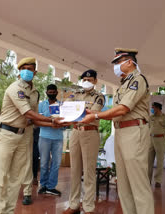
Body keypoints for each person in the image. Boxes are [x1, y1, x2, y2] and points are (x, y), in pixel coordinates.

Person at [81, 48, 154, 214]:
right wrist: (94, 114)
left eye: (118, 62)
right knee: (124, 184)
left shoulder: (138, 80)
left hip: (134, 132)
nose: (115, 66)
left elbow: (123, 109)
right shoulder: (123, 84)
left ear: (129, 62)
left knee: (138, 183)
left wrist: (96, 116)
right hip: (121, 132)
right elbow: (115, 111)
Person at [0, 57, 63, 214]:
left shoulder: (34, 93)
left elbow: (33, 119)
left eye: (30, 69)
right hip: (7, 134)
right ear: (19, 71)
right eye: (24, 69)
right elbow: (28, 112)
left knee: (16, 177)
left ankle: (9, 211)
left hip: (24, 135)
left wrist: (53, 124)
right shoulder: (15, 88)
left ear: (35, 72)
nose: (27, 72)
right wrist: (52, 119)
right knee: (1, 177)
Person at [63, 69, 105, 214]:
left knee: (89, 171)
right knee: (74, 170)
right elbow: (66, 107)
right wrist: (74, 110)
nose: (87, 81)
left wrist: (75, 110)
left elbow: (93, 112)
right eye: (85, 79)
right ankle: (73, 205)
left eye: (90, 79)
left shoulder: (99, 96)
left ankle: (88, 207)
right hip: (75, 132)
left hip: (89, 133)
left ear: (95, 81)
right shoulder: (76, 94)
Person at [34, 84, 64, 196]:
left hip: (58, 139)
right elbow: (37, 121)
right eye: (49, 92)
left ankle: (51, 187)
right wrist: (51, 123)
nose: (51, 93)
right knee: (43, 163)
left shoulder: (62, 105)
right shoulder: (41, 105)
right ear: (46, 92)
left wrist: (62, 124)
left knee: (56, 164)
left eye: (53, 92)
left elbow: (65, 121)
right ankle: (43, 185)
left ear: (57, 92)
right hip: (44, 137)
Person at [148, 102, 165, 188]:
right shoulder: (151, 117)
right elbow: (148, 128)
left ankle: (158, 181)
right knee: (149, 161)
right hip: (151, 140)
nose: (152, 109)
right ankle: (148, 179)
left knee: (159, 161)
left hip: (160, 140)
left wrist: (164, 137)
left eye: (153, 107)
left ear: (158, 108)